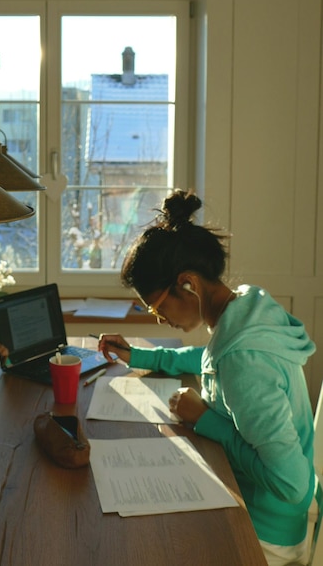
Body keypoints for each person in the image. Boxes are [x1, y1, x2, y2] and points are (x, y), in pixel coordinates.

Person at [98, 189, 316, 566]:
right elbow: (209, 358)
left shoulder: (244, 362)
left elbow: (292, 486)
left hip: (266, 536)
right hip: (255, 506)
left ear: (188, 284)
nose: (159, 319)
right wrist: (140, 355)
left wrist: (206, 420)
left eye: (156, 307)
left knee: (136, 544)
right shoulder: (247, 307)